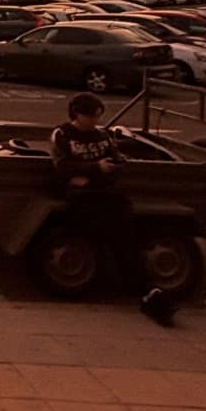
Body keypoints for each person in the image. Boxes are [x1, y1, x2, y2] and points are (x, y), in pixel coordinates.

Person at [50, 92, 174, 324]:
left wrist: (111, 165)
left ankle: (138, 285)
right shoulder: (63, 134)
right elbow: (62, 165)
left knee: (124, 232)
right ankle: (137, 284)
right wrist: (95, 167)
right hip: (82, 196)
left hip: (104, 193)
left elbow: (116, 159)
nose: (95, 122)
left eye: (97, 117)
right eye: (91, 116)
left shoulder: (102, 135)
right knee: (117, 234)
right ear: (77, 114)